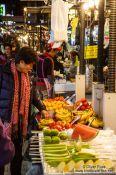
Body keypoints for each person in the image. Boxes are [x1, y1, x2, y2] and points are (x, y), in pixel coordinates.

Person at [0, 47, 50, 175]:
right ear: (21, 62)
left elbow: (34, 96)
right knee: (1, 157)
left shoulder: (29, 77)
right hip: (4, 123)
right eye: (30, 64)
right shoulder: (3, 73)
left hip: (19, 125)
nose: (31, 68)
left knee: (17, 156)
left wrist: (42, 108)